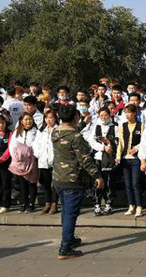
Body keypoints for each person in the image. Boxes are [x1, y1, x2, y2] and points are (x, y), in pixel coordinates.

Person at [52, 104, 104, 259]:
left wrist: (82, 124)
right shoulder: (76, 137)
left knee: (66, 211)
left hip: (58, 178)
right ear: (75, 117)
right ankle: (65, 248)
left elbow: (70, 133)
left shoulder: (55, 132)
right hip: (73, 179)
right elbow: (85, 159)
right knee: (71, 214)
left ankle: (70, 238)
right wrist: (97, 176)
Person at [87, 107, 118, 216]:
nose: (103, 117)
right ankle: (97, 204)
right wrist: (102, 147)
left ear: (110, 115)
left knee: (109, 182)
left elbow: (118, 142)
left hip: (110, 158)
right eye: (101, 115)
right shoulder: (96, 127)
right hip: (98, 157)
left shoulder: (115, 127)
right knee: (98, 181)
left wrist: (109, 142)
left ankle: (109, 204)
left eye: (105, 115)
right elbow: (92, 141)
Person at [116, 104, 144, 216]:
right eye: (126, 112)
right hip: (125, 158)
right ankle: (131, 205)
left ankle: (139, 206)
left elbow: (144, 141)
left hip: (136, 158)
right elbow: (121, 142)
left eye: (129, 112)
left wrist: (136, 148)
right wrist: (118, 156)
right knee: (127, 184)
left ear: (134, 113)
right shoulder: (123, 126)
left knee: (135, 183)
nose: (127, 115)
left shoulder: (140, 125)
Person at [9, 113, 39, 213]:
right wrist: (15, 156)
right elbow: (12, 145)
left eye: (30, 119)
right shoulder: (17, 132)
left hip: (31, 160)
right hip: (20, 160)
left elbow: (38, 144)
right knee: (23, 184)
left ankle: (31, 204)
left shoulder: (36, 132)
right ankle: (23, 203)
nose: (28, 121)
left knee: (32, 183)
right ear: (21, 121)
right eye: (26, 119)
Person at [33, 109, 58, 215]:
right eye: (47, 118)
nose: (49, 120)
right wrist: (39, 154)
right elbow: (36, 144)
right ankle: (47, 202)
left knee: (55, 183)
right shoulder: (41, 130)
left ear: (55, 118)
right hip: (43, 160)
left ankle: (54, 203)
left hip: (55, 161)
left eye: (51, 117)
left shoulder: (58, 129)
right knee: (46, 183)